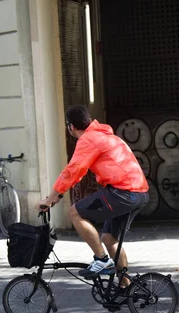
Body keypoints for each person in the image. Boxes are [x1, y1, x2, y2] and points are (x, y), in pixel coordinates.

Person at [38, 105, 149, 284]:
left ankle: (101, 260)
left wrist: (49, 199)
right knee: (109, 238)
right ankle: (125, 288)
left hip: (123, 191)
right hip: (138, 192)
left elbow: (72, 171)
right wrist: (57, 197)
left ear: (71, 127)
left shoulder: (89, 139)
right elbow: (79, 173)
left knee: (75, 212)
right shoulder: (103, 135)